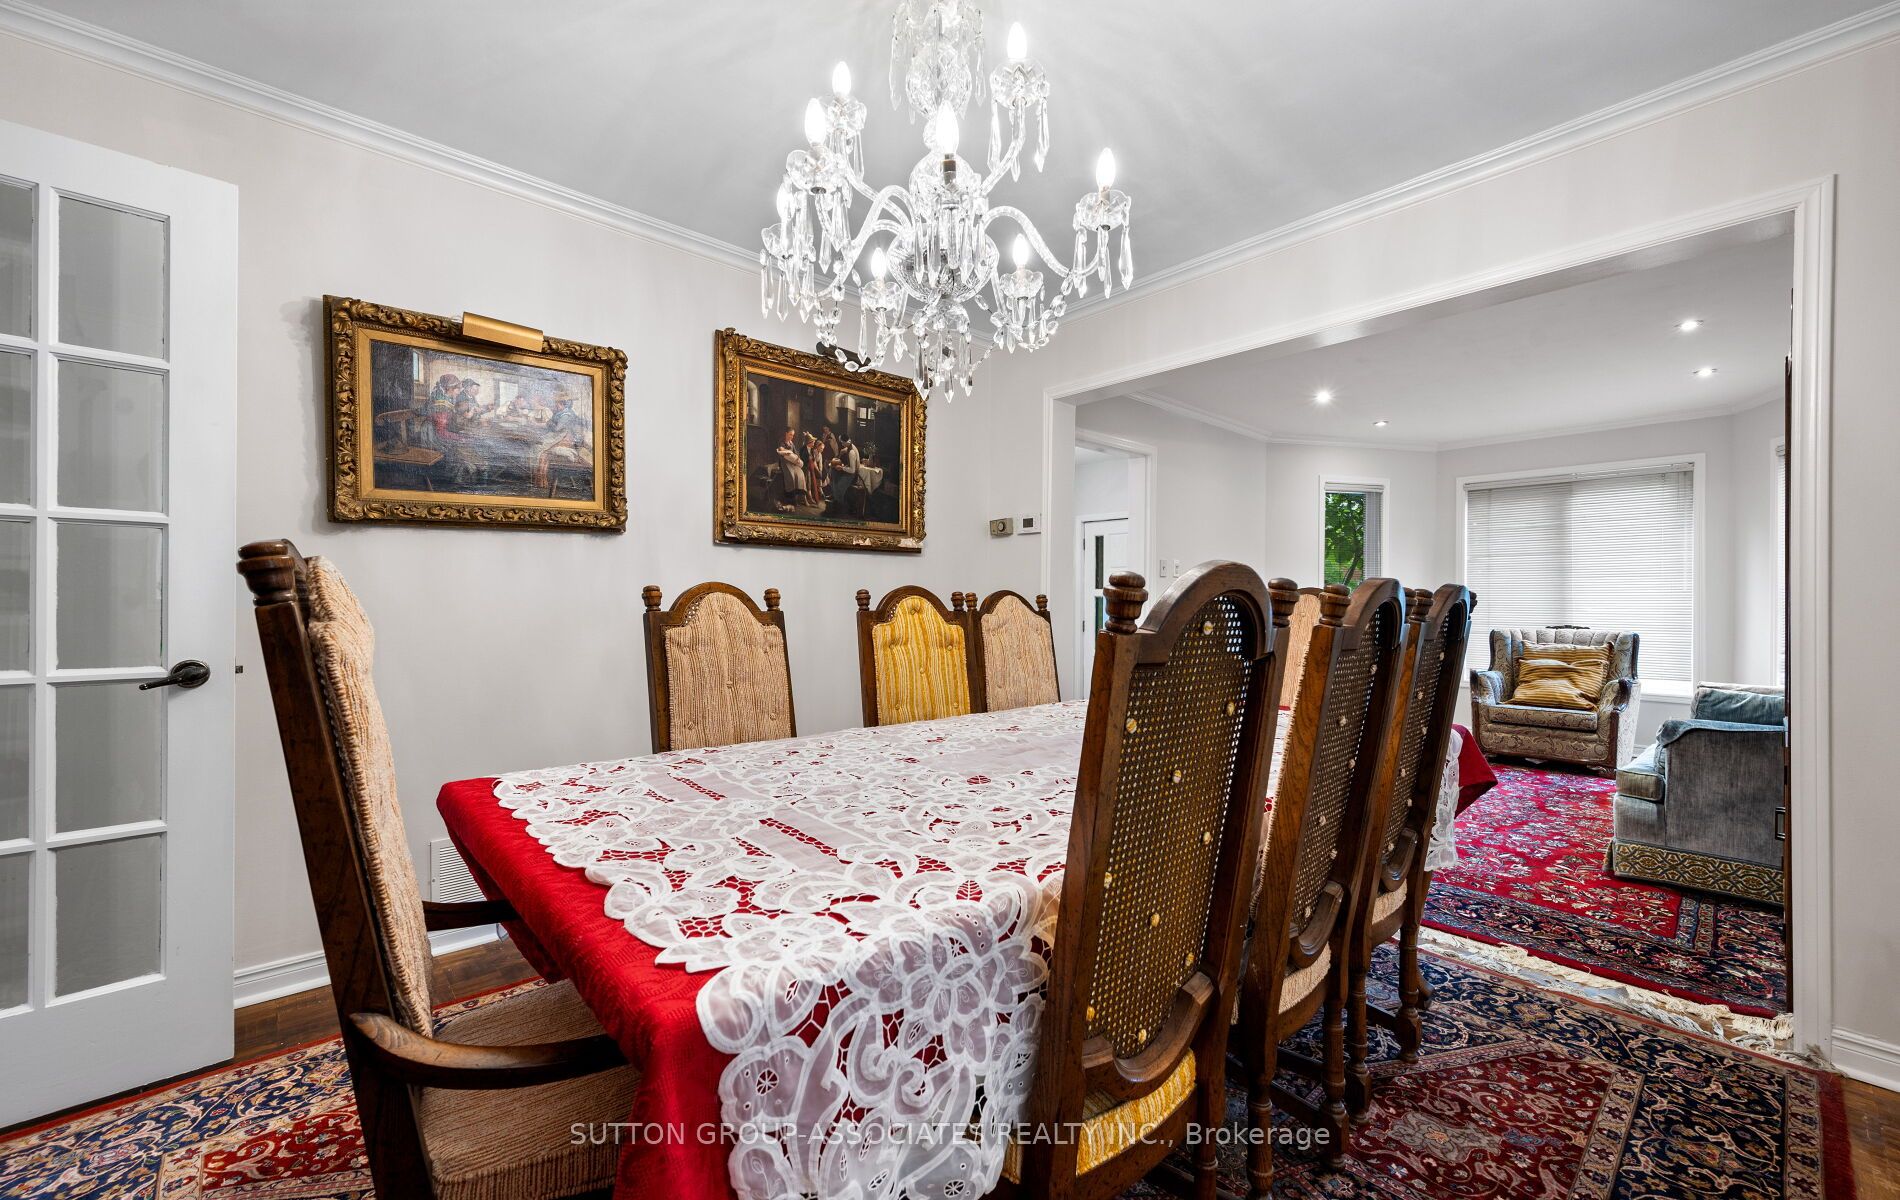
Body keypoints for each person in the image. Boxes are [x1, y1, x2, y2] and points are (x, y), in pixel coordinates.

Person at [774, 428, 808, 511]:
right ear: (786, 434)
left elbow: (796, 453)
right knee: (791, 475)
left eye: (792, 435)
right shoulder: (782, 441)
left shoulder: (791, 443)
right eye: (790, 434)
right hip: (784, 462)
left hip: (792, 462)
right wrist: (787, 452)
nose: (791, 437)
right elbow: (781, 450)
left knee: (800, 473)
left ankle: (799, 498)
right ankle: (791, 500)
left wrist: (797, 458)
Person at [829, 432, 861, 509]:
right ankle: (834, 496)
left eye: (842, 442)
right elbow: (846, 449)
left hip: (853, 475)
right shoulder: (850, 446)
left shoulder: (852, 452)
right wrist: (842, 452)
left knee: (839, 485)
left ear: (846, 442)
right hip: (849, 471)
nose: (842, 444)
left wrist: (842, 468)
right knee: (833, 472)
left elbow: (852, 470)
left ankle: (839, 503)